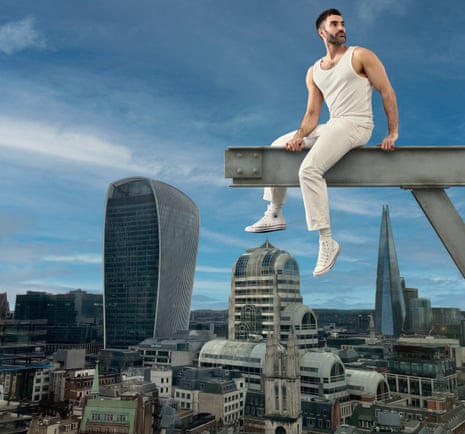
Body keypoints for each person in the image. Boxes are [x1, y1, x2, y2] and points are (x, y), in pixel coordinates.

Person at [245, 8, 398, 277]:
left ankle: (327, 240)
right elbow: (313, 114)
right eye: (334, 24)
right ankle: (275, 211)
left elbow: (386, 91)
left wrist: (392, 133)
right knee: (276, 147)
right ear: (321, 31)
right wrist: (299, 136)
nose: (341, 28)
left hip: (357, 124)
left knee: (309, 170)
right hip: (332, 124)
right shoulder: (314, 71)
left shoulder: (361, 55)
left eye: (343, 23)